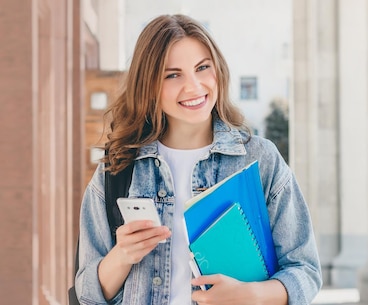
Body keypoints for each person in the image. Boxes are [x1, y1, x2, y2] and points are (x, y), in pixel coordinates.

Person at [75, 14, 322, 305]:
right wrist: (122, 256)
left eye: (202, 68)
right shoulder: (118, 168)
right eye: (172, 74)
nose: (193, 87)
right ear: (149, 86)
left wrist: (251, 295)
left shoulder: (259, 160)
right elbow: (86, 293)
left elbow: (305, 272)